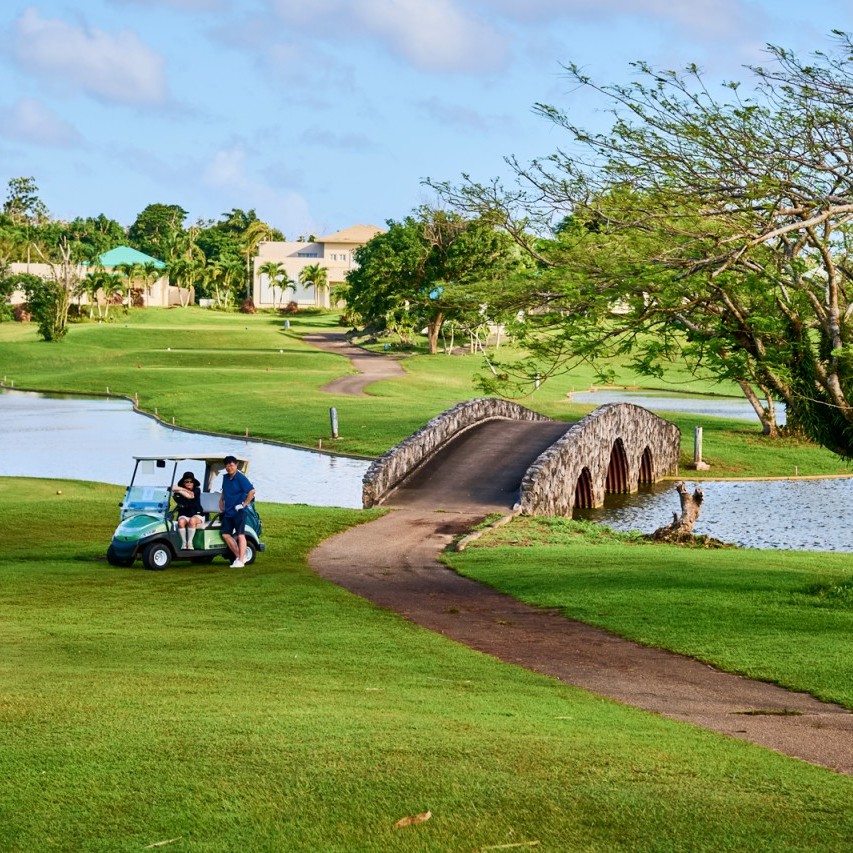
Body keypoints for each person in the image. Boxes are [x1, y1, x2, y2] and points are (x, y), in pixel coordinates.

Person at [219, 455, 256, 568]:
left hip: (238, 511)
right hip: (228, 511)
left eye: (231, 465)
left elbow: (252, 491)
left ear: (236, 465)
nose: (229, 468)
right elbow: (224, 491)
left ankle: (240, 560)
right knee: (225, 534)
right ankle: (239, 557)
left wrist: (244, 504)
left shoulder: (240, 478)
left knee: (240, 534)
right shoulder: (225, 477)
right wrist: (221, 500)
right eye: (227, 466)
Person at [171, 471, 204, 550]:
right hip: (184, 514)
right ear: (183, 483)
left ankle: (190, 542)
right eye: (186, 481)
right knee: (181, 522)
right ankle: (184, 543)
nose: (189, 483)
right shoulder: (181, 490)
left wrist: (180, 490)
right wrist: (183, 489)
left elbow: (190, 496)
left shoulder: (197, 490)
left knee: (192, 520)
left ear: (193, 483)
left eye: (191, 481)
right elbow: (172, 487)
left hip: (196, 514)